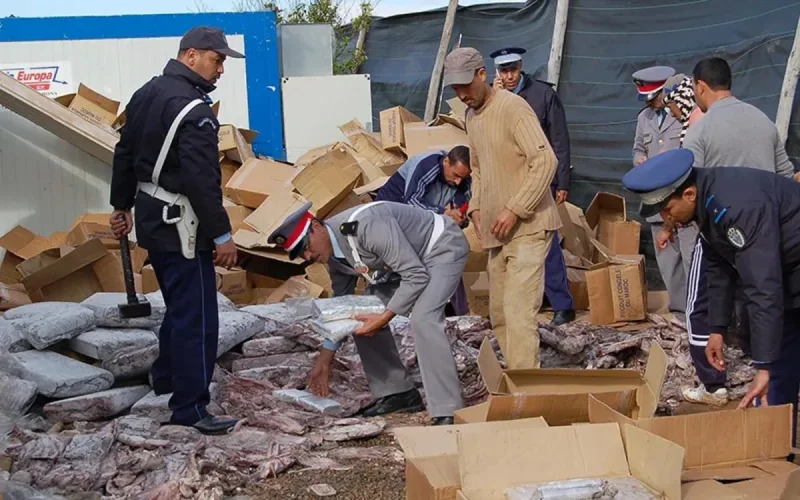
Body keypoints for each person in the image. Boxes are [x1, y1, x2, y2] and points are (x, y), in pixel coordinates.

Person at [109, 26, 243, 435]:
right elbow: (203, 182)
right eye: (217, 59)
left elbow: (125, 151)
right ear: (190, 56)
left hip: (152, 217)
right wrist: (222, 235)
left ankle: (165, 378)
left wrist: (121, 204)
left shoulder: (147, 93)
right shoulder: (195, 112)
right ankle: (190, 408)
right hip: (183, 224)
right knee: (198, 319)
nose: (221, 69)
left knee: (179, 307)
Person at [623, 147, 800, 450]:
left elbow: (763, 287)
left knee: (774, 366)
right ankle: (775, 451)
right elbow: (720, 266)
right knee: (779, 369)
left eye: (667, 209)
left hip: (786, 270)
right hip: (788, 272)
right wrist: (716, 328)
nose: (666, 218)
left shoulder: (738, 206)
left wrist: (764, 365)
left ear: (688, 194)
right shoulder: (706, 203)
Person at [663, 57, 797, 407]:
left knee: (703, 304)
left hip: (736, 227)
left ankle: (714, 383)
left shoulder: (700, 130)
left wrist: (669, 225)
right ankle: (768, 372)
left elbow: (679, 185)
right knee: (768, 301)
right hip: (775, 231)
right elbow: (787, 174)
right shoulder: (763, 120)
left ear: (700, 87)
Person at [268, 201, 468, 426]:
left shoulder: (366, 226)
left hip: (441, 248)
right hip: (410, 264)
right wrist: (325, 359)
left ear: (316, 227)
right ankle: (398, 393)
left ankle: (448, 409)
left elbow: (416, 276)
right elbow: (342, 304)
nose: (307, 256)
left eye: (306, 246)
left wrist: (383, 318)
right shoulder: (332, 251)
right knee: (360, 312)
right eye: (300, 254)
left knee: (424, 318)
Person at [443, 47, 561, 369]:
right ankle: (516, 378)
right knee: (498, 314)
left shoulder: (514, 108)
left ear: (482, 75)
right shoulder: (470, 117)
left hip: (529, 225)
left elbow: (545, 161)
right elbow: (478, 169)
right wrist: (476, 209)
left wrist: (515, 209)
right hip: (497, 232)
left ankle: (527, 393)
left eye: (466, 85)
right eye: (455, 89)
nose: (462, 94)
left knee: (518, 311)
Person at [490, 47, 575, 326]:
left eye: (513, 69)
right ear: (496, 72)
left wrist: (562, 181)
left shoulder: (543, 95)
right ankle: (524, 305)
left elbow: (559, 140)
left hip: (538, 181)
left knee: (545, 243)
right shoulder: (490, 99)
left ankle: (562, 305)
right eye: (504, 71)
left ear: (521, 67)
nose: (510, 76)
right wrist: (496, 95)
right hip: (505, 183)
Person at [375, 145, 472, 315]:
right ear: (446, 162)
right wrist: (443, 213)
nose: (458, 182)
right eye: (456, 175)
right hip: (390, 220)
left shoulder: (464, 181)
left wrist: (460, 219)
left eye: (462, 178)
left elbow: (460, 211)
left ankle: (456, 315)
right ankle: (383, 313)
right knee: (398, 270)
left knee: (450, 256)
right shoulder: (427, 165)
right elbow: (411, 203)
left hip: (425, 225)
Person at [631, 66, 696, 315]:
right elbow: (637, 148)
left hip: (684, 200)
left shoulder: (684, 113)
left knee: (693, 259)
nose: (652, 103)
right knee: (669, 263)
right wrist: (639, 159)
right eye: (647, 99)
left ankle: (699, 312)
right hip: (657, 203)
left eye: (655, 97)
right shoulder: (643, 118)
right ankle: (680, 312)